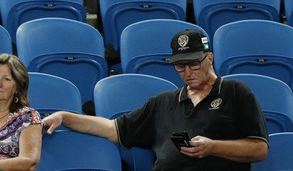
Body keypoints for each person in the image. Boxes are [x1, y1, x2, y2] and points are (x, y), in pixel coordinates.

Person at [42, 29, 268, 171]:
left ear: (210, 58)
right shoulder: (163, 102)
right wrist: (65, 117)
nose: (188, 71)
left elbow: (259, 149)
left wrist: (212, 147)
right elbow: (113, 129)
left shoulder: (235, 91)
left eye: (194, 64)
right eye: (180, 65)